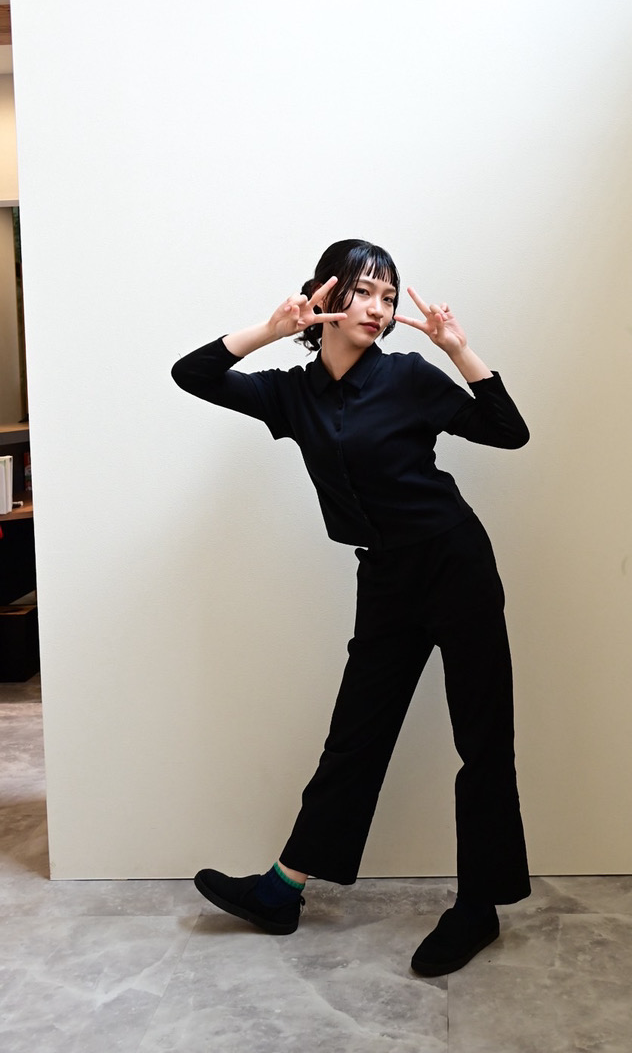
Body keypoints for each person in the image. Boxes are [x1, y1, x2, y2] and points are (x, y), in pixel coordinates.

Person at [171, 238, 531, 976]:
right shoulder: (291, 394)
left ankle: (477, 908)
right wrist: (273, 329)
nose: (379, 308)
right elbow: (192, 373)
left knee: (482, 739)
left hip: (455, 563)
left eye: (388, 297)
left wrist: (459, 350)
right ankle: (281, 891)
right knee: (355, 737)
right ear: (327, 295)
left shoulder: (409, 377)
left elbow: (508, 431)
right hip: (386, 577)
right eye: (364, 291)